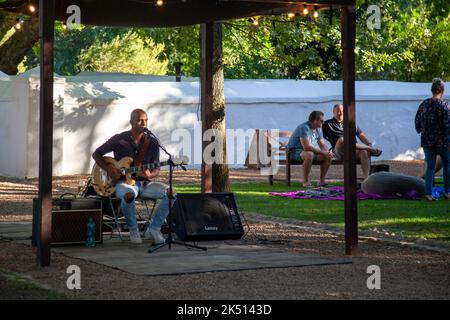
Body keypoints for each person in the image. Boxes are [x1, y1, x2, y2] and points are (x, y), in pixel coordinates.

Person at [92, 109, 172, 244]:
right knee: (128, 195)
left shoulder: (152, 142)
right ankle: (133, 229)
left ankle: (154, 228)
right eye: (140, 120)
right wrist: (109, 169)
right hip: (123, 184)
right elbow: (96, 154)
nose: (144, 123)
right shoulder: (119, 139)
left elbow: (156, 168)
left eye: (146, 120)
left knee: (172, 193)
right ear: (131, 122)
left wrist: (150, 174)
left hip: (145, 184)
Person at [322, 103, 382, 179]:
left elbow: (361, 136)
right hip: (339, 151)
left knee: (364, 152)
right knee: (342, 139)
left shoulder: (351, 123)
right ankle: (370, 149)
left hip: (353, 149)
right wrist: (324, 151)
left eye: (342, 111)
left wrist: (369, 144)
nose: (340, 113)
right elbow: (320, 138)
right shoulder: (327, 124)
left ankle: (367, 179)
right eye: (338, 111)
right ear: (333, 112)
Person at [415, 78, 450, 201]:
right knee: (447, 166)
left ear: (432, 89)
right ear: (442, 90)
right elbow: (448, 124)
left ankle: (428, 193)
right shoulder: (444, 106)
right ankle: (447, 192)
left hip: (427, 141)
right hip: (443, 141)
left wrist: (422, 131)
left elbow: (417, 123)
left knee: (430, 167)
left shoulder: (424, 104)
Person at [286, 111, 333, 187]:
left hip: (308, 151)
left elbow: (322, 144)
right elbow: (306, 147)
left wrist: (327, 152)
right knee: (309, 154)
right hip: (293, 151)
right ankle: (306, 181)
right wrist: (322, 152)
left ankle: (321, 181)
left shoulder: (318, 128)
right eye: (321, 120)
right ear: (315, 121)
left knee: (328, 156)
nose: (323, 122)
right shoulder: (304, 128)